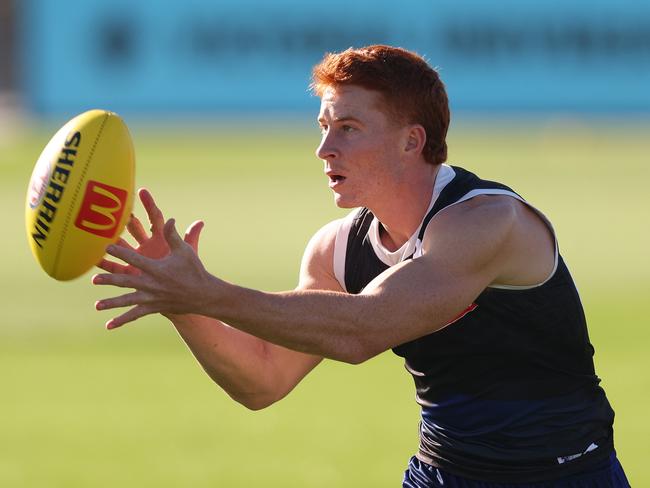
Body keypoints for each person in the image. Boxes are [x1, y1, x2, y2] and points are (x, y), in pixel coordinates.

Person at [93, 45, 630, 487]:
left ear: (410, 141)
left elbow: (364, 330)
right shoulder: (337, 251)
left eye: (347, 128)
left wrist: (206, 292)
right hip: (442, 474)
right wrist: (179, 301)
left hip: (566, 474)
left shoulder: (488, 221)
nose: (324, 148)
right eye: (323, 126)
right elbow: (261, 379)